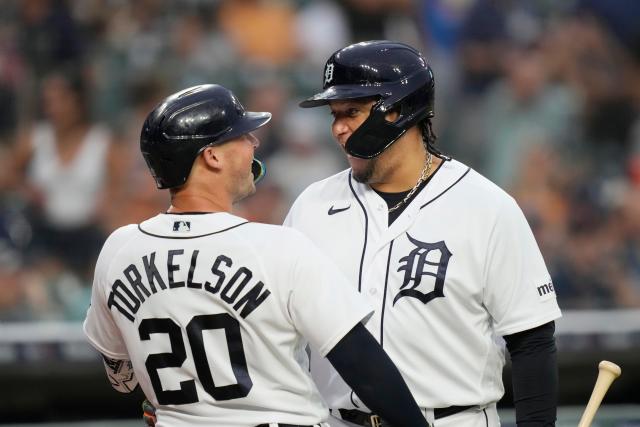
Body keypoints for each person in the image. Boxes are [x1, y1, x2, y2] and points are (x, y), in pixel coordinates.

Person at [83, 84, 429, 427]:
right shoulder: (277, 246)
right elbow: (365, 369)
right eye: (242, 135)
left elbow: (122, 378)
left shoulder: (119, 249)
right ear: (212, 155)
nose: (254, 143)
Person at [284, 41, 562, 426]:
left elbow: (531, 340)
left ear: (397, 110)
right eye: (334, 115)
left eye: (351, 112)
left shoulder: (486, 207)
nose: (338, 128)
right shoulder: (311, 207)